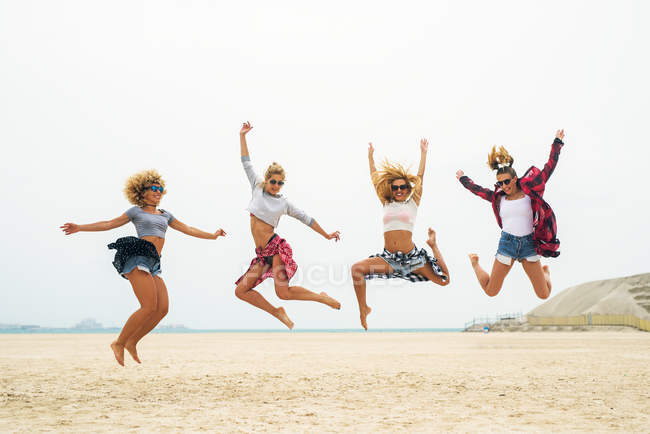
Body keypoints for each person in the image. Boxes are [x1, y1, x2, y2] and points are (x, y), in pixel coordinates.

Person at [61, 169, 226, 366]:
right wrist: (80, 227)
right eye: (153, 188)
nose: (158, 191)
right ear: (141, 192)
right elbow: (109, 223)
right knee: (148, 306)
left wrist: (213, 235)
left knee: (162, 309)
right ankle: (119, 343)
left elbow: (188, 229)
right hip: (137, 258)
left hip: (154, 262)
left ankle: (132, 342)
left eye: (160, 189)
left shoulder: (166, 215)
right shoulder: (136, 211)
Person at [234, 122, 342, 329]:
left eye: (280, 183)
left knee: (283, 292)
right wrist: (242, 136)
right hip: (262, 253)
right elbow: (246, 162)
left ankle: (321, 297)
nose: (275, 186)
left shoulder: (283, 203)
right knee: (241, 291)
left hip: (276, 249)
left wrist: (327, 235)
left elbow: (306, 218)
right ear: (266, 180)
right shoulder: (256, 187)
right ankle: (276, 312)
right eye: (273, 182)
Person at [350, 139, 450, 330]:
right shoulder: (386, 202)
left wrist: (423, 153)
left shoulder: (412, 203)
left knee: (444, 280)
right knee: (357, 269)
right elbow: (374, 178)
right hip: (390, 259)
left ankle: (433, 245)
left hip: (413, 260)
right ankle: (364, 309)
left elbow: (420, 176)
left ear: (408, 189)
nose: (398, 190)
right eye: (395, 188)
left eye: (402, 187)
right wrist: (370, 157)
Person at [456, 129, 566, 299]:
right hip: (507, 244)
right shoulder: (498, 198)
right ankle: (475, 264)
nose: (504, 186)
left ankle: (546, 273)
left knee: (543, 294)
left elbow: (549, 167)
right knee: (491, 291)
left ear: (515, 179)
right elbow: (478, 190)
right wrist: (464, 179)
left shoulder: (530, 191)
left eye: (506, 181)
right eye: (500, 183)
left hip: (529, 244)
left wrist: (557, 143)